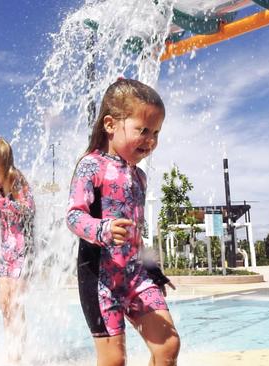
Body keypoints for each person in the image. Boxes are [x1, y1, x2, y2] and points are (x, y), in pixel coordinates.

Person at [66, 78, 180, 366]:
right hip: (100, 278)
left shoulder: (139, 177)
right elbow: (74, 216)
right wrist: (102, 229)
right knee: (114, 360)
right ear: (110, 124)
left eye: (156, 132)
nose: (151, 140)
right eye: (143, 130)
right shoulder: (91, 165)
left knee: (168, 346)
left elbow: (137, 234)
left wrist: (153, 269)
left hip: (135, 275)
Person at [0, 136, 35, 364]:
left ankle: (17, 356)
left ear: (6, 166)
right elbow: (0, 216)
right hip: (7, 251)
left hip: (24, 250)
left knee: (16, 303)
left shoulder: (16, 180)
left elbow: (26, 209)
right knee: (4, 303)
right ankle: (10, 348)